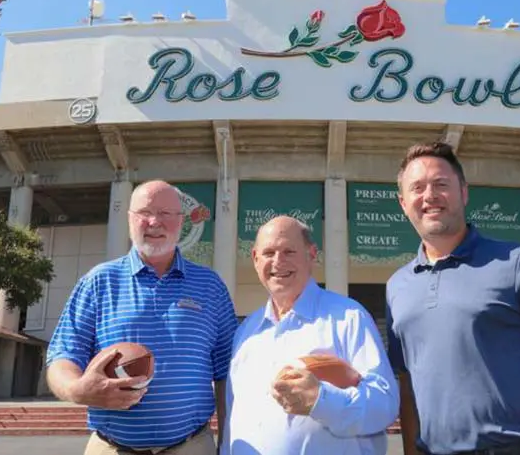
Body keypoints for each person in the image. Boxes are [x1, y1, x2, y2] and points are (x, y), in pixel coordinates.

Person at [386, 141, 520, 455]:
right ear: (403, 203)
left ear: (464, 192)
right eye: (417, 188)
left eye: (441, 184)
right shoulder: (397, 287)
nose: (429, 196)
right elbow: (409, 389)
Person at [45, 180, 238, 455]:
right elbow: (62, 355)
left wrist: (227, 441)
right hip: (112, 447)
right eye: (144, 213)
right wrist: (78, 389)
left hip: (192, 445)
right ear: (129, 220)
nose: (154, 222)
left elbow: (226, 370)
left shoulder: (209, 285)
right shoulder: (99, 281)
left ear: (181, 221)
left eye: (166, 213)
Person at [220, 215, 399, 455]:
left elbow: (383, 405)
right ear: (255, 259)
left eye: (289, 251)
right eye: (269, 253)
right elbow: (235, 414)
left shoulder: (348, 317)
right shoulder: (246, 332)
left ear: (311, 254)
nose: (278, 262)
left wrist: (322, 400)